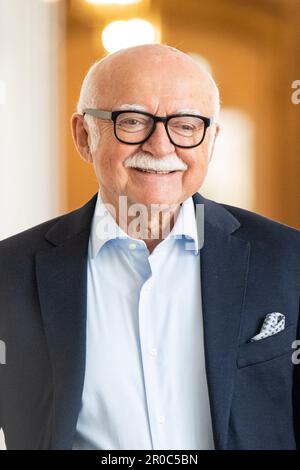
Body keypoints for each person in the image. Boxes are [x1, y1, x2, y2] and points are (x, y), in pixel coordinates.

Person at [0, 44, 300, 450]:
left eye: (186, 125)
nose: (160, 147)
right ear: (84, 135)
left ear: (211, 140)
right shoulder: (9, 273)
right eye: (133, 121)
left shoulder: (288, 259)